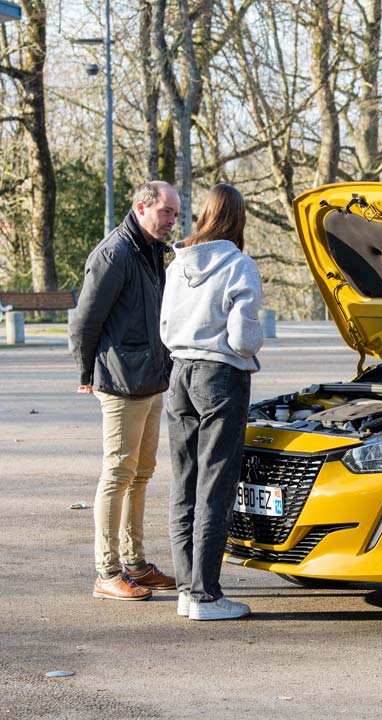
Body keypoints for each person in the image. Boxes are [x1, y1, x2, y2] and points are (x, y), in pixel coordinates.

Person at [69, 181, 180, 601]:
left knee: (142, 473)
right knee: (117, 473)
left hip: (152, 379)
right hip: (121, 381)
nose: (172, 221)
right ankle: (106, 571)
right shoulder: (114, 254)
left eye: (174, 213)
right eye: (166, 212)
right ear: (141, 208)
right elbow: (84, 322)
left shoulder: (151, 251)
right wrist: (86, 373)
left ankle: (135, 564)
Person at [160, 183, 263, 621]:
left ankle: (187, 590)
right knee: (215, 486)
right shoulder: (239, 265)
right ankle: (206, 596)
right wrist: (255, 343)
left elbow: (165, 324)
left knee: (183, 483)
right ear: (238, 219)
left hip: (179, 373)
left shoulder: (177, 263)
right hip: (220, 377)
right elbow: (242, 338)